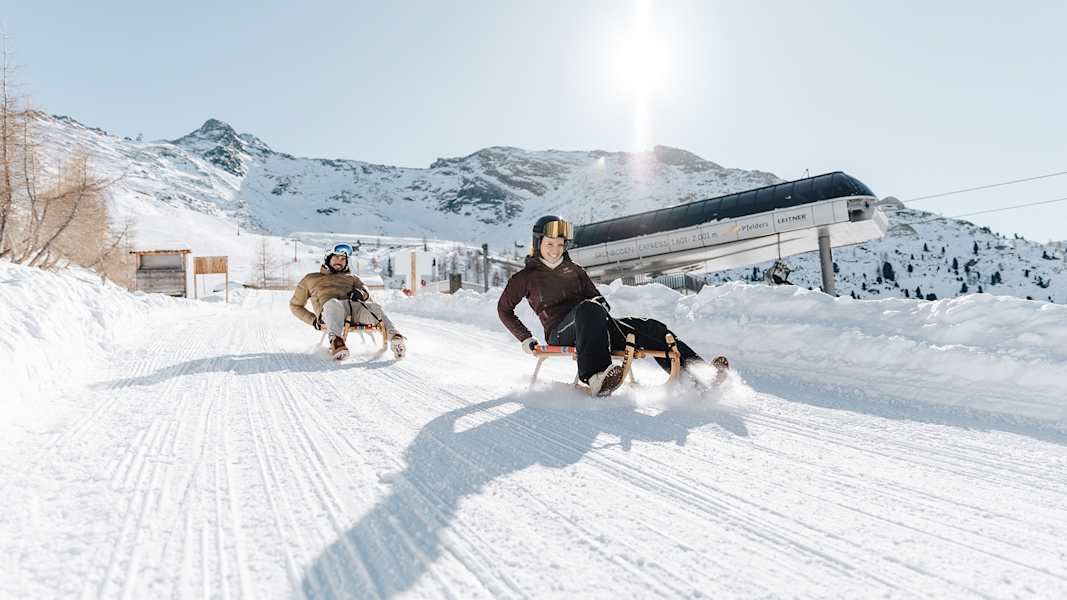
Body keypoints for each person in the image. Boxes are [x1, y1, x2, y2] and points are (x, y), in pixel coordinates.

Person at [497, 215, 709, 396]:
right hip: (560, 332)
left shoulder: (575, 270)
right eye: (549, 244)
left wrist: (601, 307)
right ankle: (597, 377)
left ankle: (698, 374)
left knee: (650, 327)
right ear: (538, 244)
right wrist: (525, 338)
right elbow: (504, 309)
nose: (555, 250)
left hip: (594, 324)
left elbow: (599, 300)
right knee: (589, 309)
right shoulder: (525, 278)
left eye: (560, 245)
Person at [290, 243, 406, 360]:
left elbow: (366, 291)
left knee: (375, 307)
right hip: (330, 312)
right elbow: (295, 305)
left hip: (354, 311)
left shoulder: (352, 278)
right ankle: (336, 343)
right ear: (328, 259)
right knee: (333, 303)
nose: (339, 261)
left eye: (343, 259)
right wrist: (313, 320)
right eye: (335, 257)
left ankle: (395, 338)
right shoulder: (311, 279)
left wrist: (361, 293)